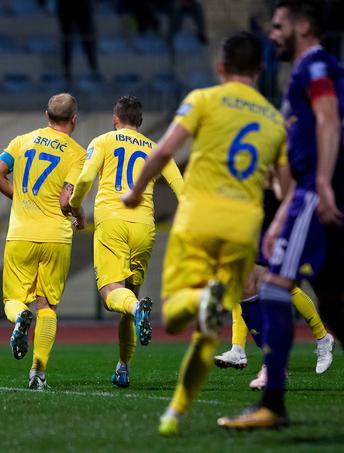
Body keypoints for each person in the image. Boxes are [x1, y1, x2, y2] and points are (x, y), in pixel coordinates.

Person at [121, 31, 286, 436]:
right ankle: (175, 413)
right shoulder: (274, 118)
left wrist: (137, 189)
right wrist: (277, 225)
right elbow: (286, 187)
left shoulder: (203, 99)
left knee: (179, 314)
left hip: (200, 218)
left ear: (221, 67)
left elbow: (162, 151)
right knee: (209, 329)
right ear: (261, 70)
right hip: (243, 227)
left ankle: (200, 298)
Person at [218, 0, 344, 429]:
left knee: (271, 287)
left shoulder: (314, 67)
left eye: (278, 25)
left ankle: (272, 404)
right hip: (306, 194)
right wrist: (281, 214)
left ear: (303, 26)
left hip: (316, 191)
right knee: (333, 300)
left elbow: (329, 121)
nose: (271, 33)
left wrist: (322, 182)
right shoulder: (303, 74)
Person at [65, 95, 183, 388]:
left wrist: (74, 207)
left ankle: (135, 311)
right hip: (144, 225)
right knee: (130, 295)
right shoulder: (156, 149)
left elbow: (84, 180)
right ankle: (123, 367)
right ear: (140, 122)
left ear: (115, 119)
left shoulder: (103, 140)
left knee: (111, 295)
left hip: (112, 222)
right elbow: (182, 188)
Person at [0, 93, 86, 390]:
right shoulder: (78, 153)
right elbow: (67, 200)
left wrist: (20, 196)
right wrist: (80, 218)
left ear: (46, 116)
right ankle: (38, 373)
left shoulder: (21, 141)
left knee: (13, 299)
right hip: (56, 236)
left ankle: (20, 317)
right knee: (47, 307)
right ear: (74, 119)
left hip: (21, 234)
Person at [214, 169, 335, 382]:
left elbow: (281, 181)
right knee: (243, 280)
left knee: (282, 283)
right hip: (257, 215)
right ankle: (240, 349)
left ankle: (322, 337)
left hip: (280, 214)